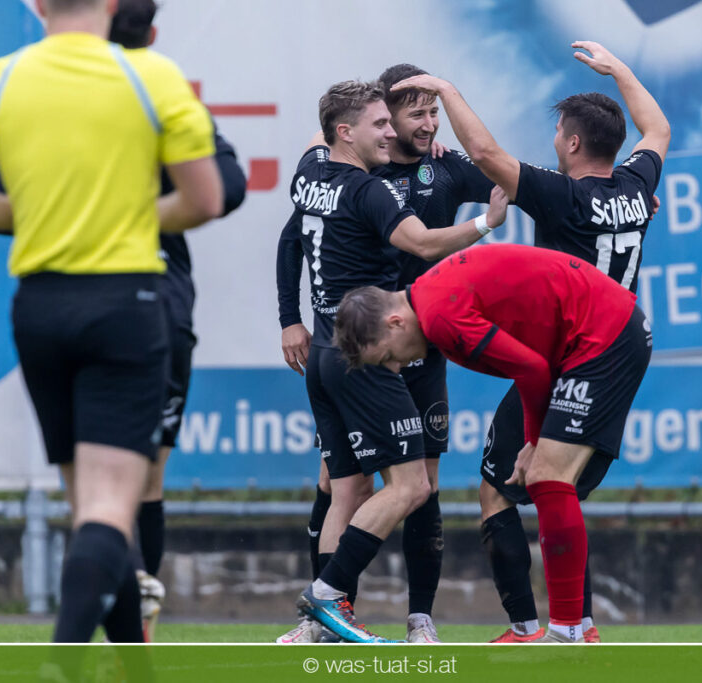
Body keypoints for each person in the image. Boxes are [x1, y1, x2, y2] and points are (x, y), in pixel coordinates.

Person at [0, 0, 222, 644]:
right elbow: (206, 198)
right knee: (110, 508)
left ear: (38, 4)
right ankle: (63, 659)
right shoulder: (152, 75)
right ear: (112, 4)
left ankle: (130, 664)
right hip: (125, 304)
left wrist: (38, 218)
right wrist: (124, 218)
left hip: (40, 307)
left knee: (87, 506)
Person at [391, 40, 669, 642]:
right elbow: (658, 129)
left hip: (575, 352)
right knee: (550, 485)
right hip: (609, 344)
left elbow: (485, 154)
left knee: (511, 488)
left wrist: (445, 91)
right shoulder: (633, 186)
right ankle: (575, 623)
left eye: (559, 133)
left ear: (572, 142)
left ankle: (536, 626)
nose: (555, 141)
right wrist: (620, 70)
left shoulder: (564, 195)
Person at [280, 80, 507, 643]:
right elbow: (423, 244)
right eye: (387, 121)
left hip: (337, 352)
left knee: (356, 486)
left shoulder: (311, 170)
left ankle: (370, 621)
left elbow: (506, 173)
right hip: (375, 352)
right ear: (348, 131)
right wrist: (486, 224)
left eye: (430, 114)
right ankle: (327, 598)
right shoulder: (369, 189)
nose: (413, 127)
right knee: (406, 486)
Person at [334, 243, 653, 642]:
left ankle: (569, 630)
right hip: (578, 343)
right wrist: (534, 440)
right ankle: (560, 628)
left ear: (395, 323)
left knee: (548, 475)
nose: (396, 367)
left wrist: (534, 441)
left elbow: (532, 369)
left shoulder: (439, 318)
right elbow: (530, 365)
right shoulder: (430, 300)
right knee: (522, 482)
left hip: (604, 335)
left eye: (386, 357)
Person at [106, 0, 248, 642]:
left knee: (100, 482)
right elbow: (228, 185)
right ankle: (138, 617)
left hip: (83, 299)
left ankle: (116, 618)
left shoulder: (51, 85)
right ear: (153, 32)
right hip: (162, 302)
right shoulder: (163, 89)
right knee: (145, 475)